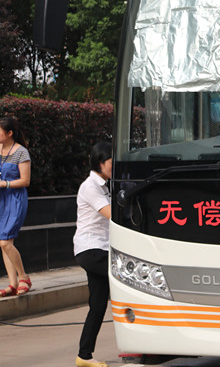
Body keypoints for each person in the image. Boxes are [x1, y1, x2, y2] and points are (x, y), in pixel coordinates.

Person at [74, 142, 113, 367]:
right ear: (100, 162)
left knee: (98, 306)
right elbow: (111, 214)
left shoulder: (105, 185)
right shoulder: (90, 186)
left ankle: (84, 356)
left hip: (100, 248)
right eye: (112, 162)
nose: (115, 166)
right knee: (132, 281)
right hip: (91, 249)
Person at [0, 116, 32, 297]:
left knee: (5, 242)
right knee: (3, 243)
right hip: (1, 200)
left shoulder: (21, 152)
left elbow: (25, 181)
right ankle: (13, 284)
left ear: (9, 133)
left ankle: (24, 278)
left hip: (15, 199)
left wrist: (5, 184)